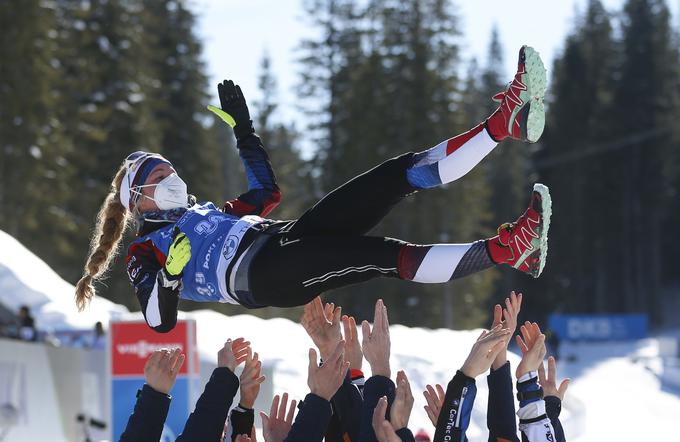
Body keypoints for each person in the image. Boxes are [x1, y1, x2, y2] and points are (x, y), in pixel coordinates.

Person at [75, 46, 552, 333]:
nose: (172, 179)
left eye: (170, 170)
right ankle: (508, 249)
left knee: (391, 176)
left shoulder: (208, 212)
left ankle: (502, 122)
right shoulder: (144, 251)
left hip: (286, 237)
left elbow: (266, 193)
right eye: (158, 178)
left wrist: (244, 130)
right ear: (137, 200)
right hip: (266, 277)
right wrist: (171, 273)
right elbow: (160, 321)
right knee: (386, 255)